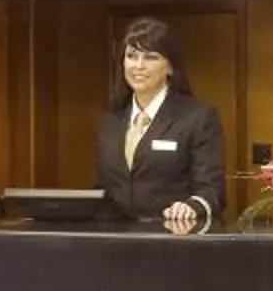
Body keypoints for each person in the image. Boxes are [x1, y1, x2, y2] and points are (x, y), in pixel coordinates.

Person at [96, 17, 225, 233]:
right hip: (116, 243)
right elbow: (102, 190)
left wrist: (191, 207)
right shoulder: (111, 120)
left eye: (150, 57)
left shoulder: (198, 117)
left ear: (170, 67)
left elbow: (212, 190)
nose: (138, 66)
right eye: (131, 56)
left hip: (172, 241)